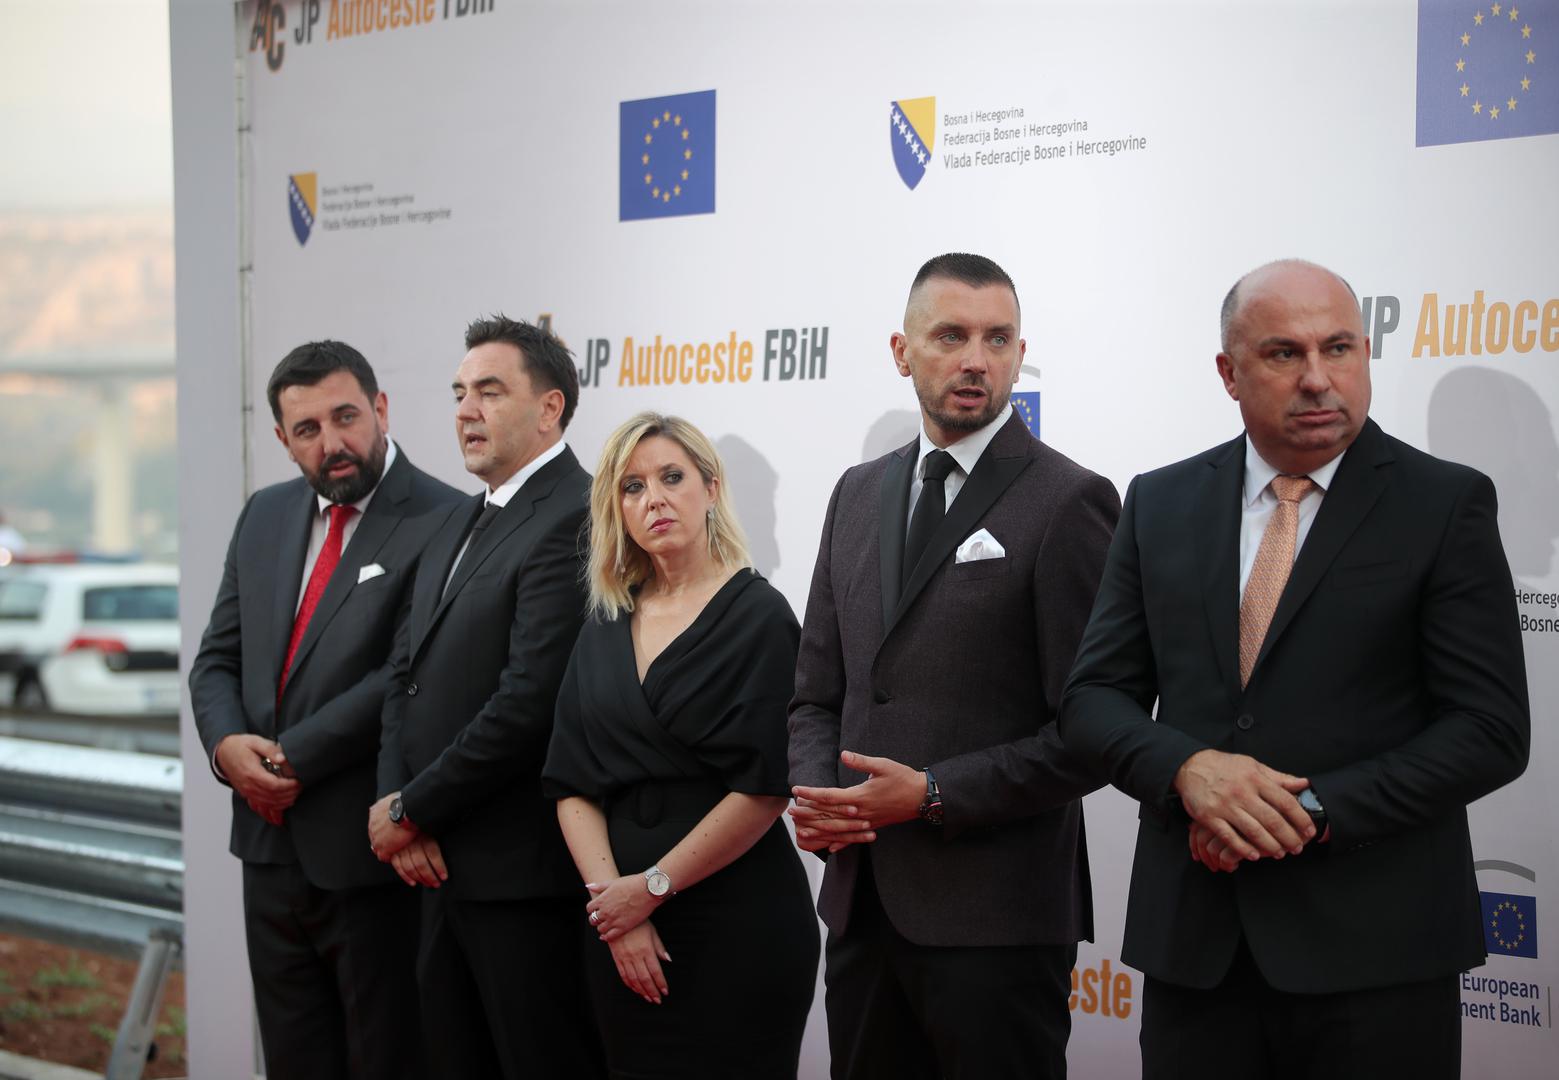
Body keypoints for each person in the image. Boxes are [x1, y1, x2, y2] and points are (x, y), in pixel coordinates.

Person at [1058, 259, 1530, 1079]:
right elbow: (1093, 699)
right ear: (1228, 373)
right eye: (1283, 353)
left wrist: (1305, 810)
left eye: (1337, 348)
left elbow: (1488, 730)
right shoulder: (1160, 501)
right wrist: (1189, 772)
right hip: (1196, 952)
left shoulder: (1443, 503)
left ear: (1364, 354)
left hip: (1378, 959)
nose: (1317, 378)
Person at [788, 253, 1119, 1079]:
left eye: (996, 339)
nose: (976, 359)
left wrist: (933, 794)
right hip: (862, 905)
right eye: (950, 336)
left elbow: (1092, 732)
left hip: (997, 923)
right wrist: (820, 797)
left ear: (1018, 353)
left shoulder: (1068, 499)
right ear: (901, 352)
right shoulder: (854, 493)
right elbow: (815, 695)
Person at [190, 340, 462, 1079]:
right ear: (284, 440)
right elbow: (217, 658)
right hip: (266, 847)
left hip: (371, 853)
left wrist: (290, 759)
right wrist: (226, 749)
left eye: (346, 417)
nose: (332, 443)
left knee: (387, 1061)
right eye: (307, 429)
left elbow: (407, 673)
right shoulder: (264, 514)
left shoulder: (445, 517)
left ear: (381, 409)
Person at [543, 412, 818, 1079]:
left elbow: (764, 789)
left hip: (737, 924)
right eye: (633, 487)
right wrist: (616, 908)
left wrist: (651, 889)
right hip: (620, 931)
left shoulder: (759, 615)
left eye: (672, 477)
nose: (655, 499)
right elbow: (571, 783)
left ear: (711, 488)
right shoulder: (603, 621)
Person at [369, 314, 601, 1079]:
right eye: (459, 393)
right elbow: (403, 674)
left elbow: (529, 701)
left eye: (489, 392)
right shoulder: (456, 519)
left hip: (520, 879)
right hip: (435, 868)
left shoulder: (577, 515)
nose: (465, 411)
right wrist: (398, 805)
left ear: (549, 408)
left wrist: (411, 809)